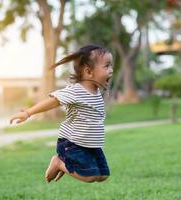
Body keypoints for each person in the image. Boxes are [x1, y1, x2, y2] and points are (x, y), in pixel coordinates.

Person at [9, 44, 114, 183]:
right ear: (88, 72)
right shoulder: (75, 91)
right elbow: (53, 101)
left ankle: (64, 166)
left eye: (111, 66)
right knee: (89, 177)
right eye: (106, 66)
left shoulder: (96, 91)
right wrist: (28, 113)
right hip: (73, 143)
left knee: (103, 175)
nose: (111, 70)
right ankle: (59, 163)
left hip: (91, 144)